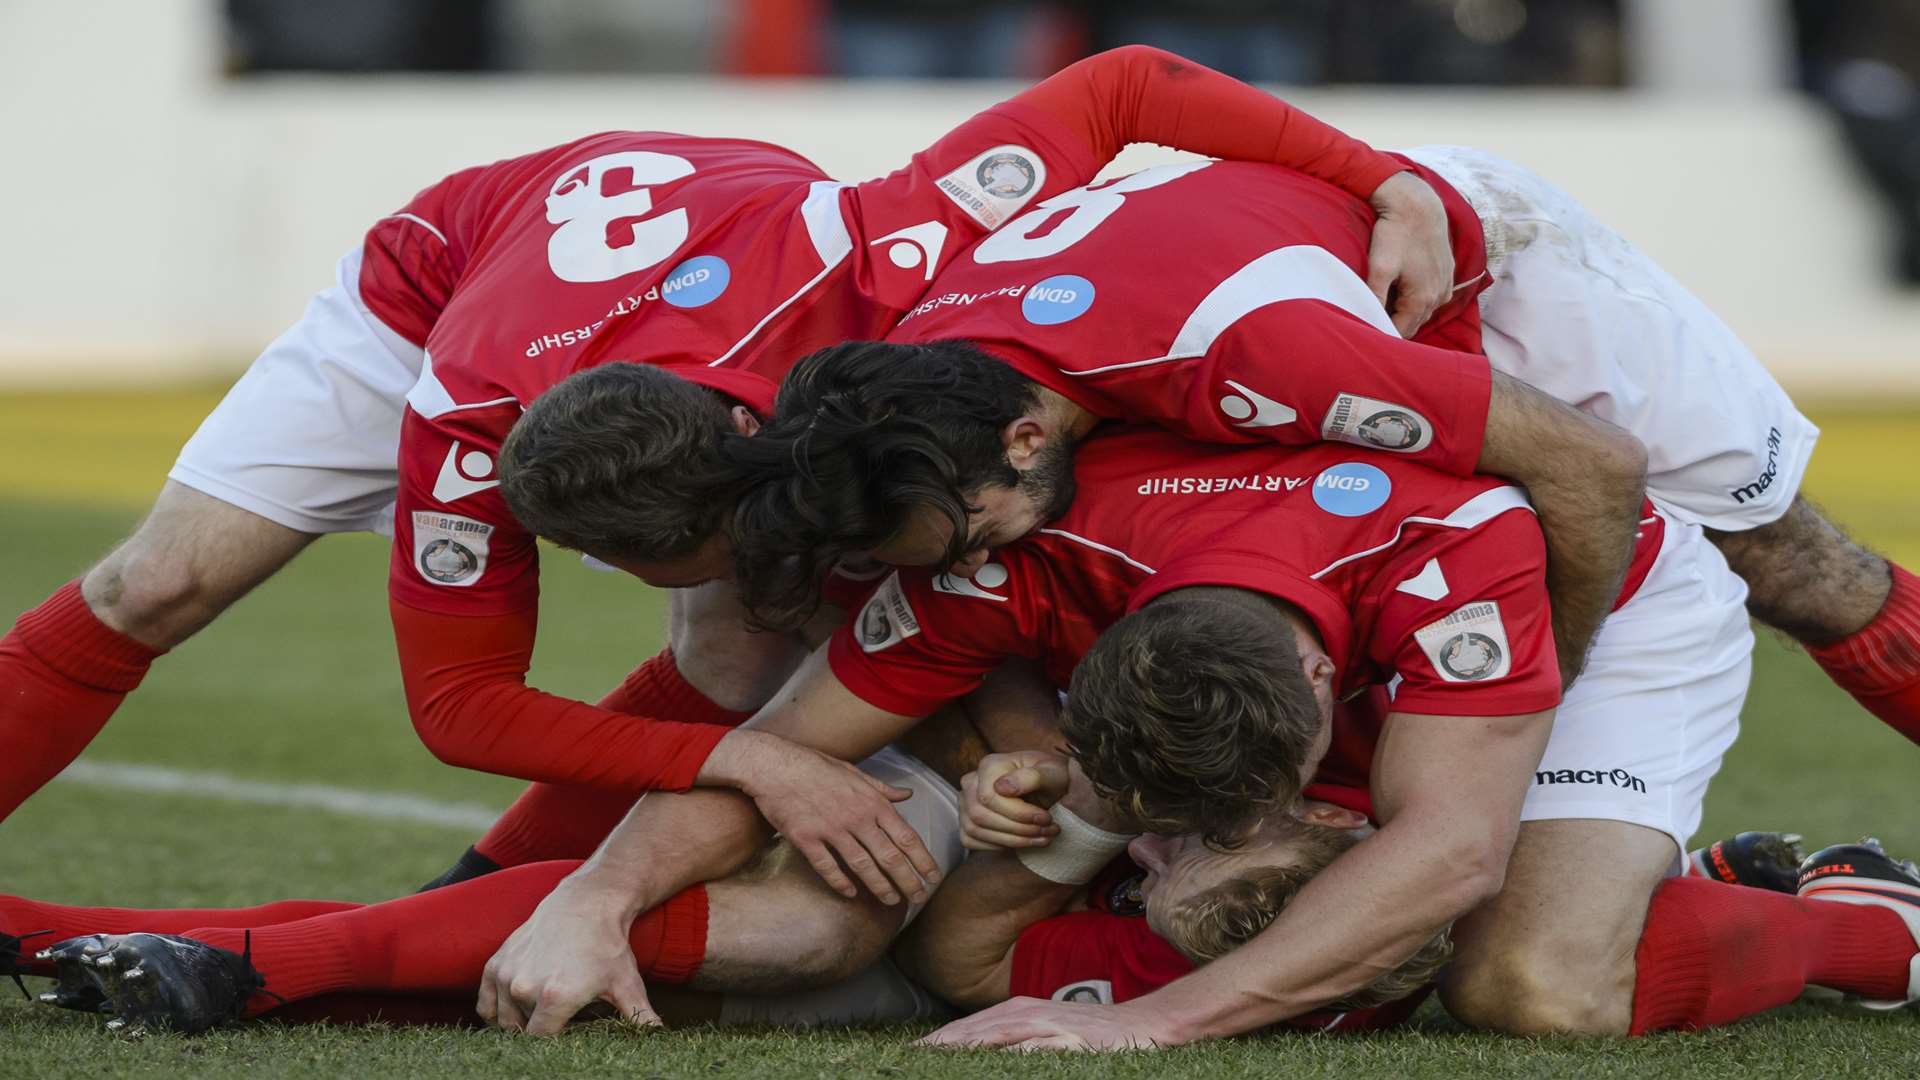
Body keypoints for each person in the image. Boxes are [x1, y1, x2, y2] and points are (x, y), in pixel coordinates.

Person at [0, 46, 1465, 836]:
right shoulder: (460, 418)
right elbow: (455, 705)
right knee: (155, 588)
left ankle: (490, 884)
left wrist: (1381, 175)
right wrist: (752, 770)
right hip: (435, 281)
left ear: (772, 449)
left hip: (725, 272)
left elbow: (1125, 83)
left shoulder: (869, 251)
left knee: (743, 656)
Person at [723, 149, 1920, 752]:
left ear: (1028, 437)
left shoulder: (1257, 357)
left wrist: (1532, 694)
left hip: (1494, 263)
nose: (966, 567)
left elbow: (1592, 466)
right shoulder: (922, 383)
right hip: (1277, 262)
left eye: (975, 532)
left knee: (1793, 568)